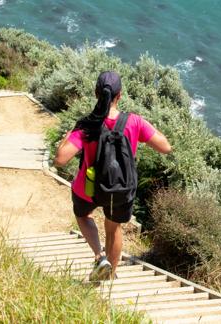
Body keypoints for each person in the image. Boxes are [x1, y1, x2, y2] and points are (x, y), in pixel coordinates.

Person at [54, 71, 171, 281]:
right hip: (120, 187)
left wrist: (70, 132)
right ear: (120, 95)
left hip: (88, 187)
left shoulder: (87, 124)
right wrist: (142, 129)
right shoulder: (134, 121)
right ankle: (109, 275)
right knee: (113, 227)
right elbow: (165, 147)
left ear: (96, 93)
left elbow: (61, 159)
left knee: (83, 216)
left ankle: (100, 257)